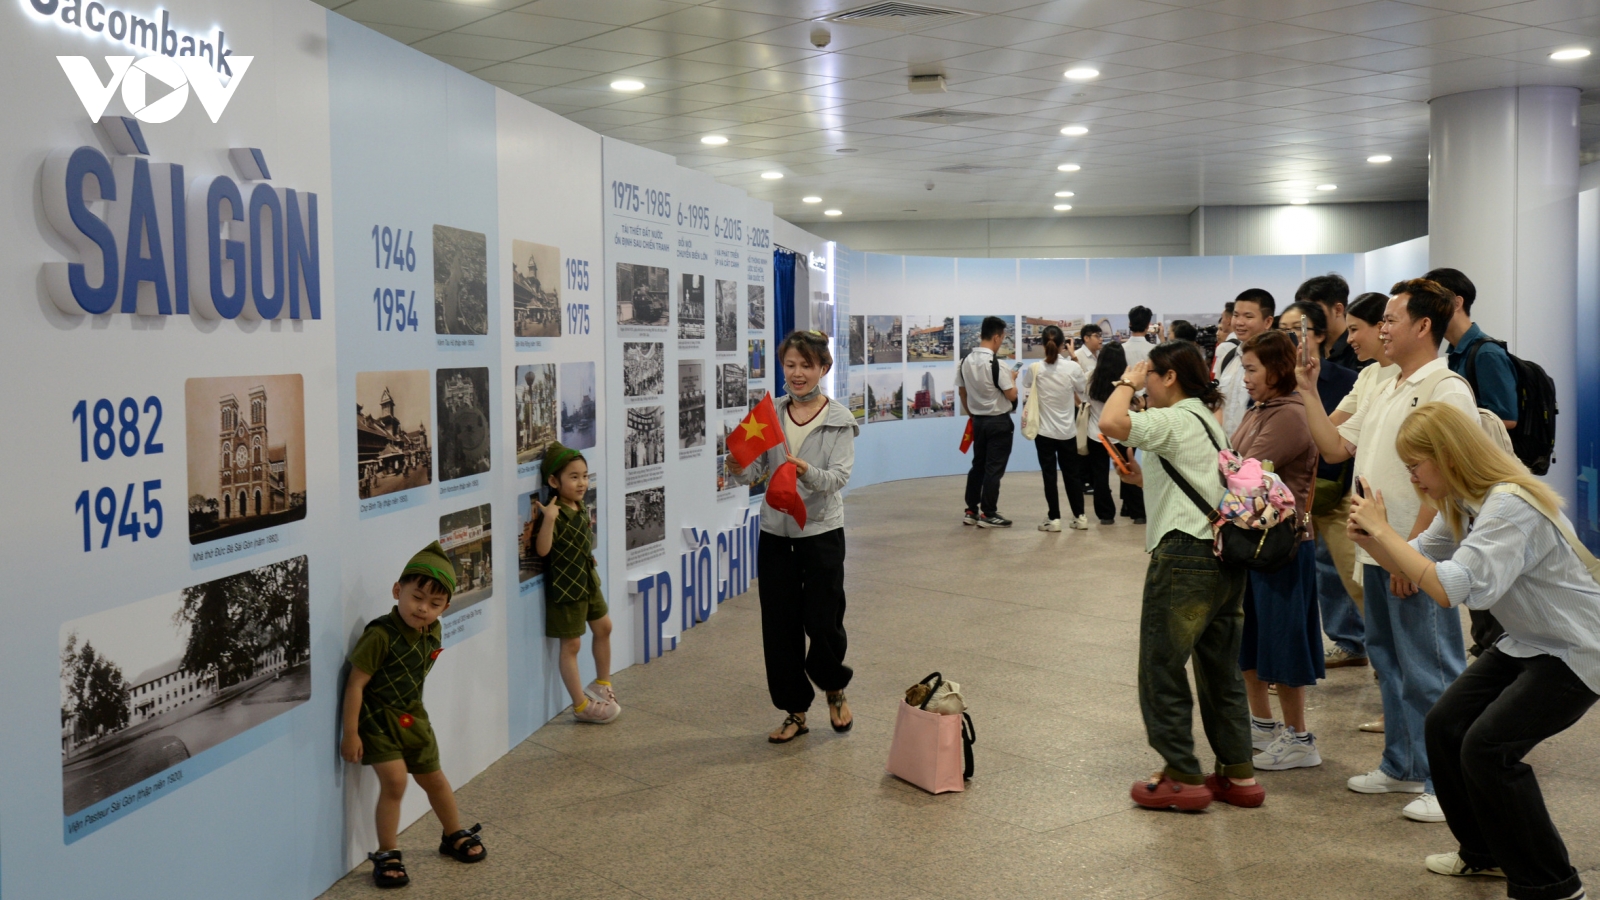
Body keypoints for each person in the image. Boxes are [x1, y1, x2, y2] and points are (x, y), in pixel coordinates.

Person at [1348, 402, 1600, 900]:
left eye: (1416, 465)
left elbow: (1450, 588)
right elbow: (1418, 556)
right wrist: (1372, 537)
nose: (1413, 478)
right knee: (1445, 726)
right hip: (1531, 641)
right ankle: (1484, 855)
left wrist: (1382, 534)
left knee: (1488, 749)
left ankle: (1552, 885)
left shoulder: (1509, 504)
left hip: (1577, 649)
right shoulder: (1465, 502)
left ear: (1447, 457)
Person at [1296, 278, 1477, 823]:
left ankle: (1447, 784)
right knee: (1390, 662)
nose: (1381, 329)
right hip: (1373, 545)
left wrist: (1412, 552)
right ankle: (1401, 764)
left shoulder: (1447, 389)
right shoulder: (1378, 380)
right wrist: (1306, 388)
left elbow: (1447, 479)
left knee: (1431, 668)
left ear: (1424, 326)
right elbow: (1333, 446)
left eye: (1390, 320)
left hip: (1415, 550)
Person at [1101, 341, 1263, 811]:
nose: (1144, 384)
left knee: (1162, 666)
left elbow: (1111, 422)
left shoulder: (1174, 418)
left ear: (1169, 377)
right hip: (1223, 560)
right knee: (1220, 672)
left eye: (1150, 375)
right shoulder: (1207, 421)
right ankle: (1237, 774)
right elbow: (1195, 477)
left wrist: (1124, 382)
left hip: (1183, 558)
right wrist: (1140, 478)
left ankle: (1181, 774)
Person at [725, 330, 858, 743]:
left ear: (823, 368)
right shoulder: (769, 413)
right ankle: (794, 711)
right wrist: (736, 466)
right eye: (790, 365)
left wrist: (806, 472)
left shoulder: (838, 420)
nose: (797, 374)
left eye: (806, 365)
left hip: (821, 532)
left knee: (823, 620)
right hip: (776, 532)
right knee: (779, 626)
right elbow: (755, 472)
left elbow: (838, 477)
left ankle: (834, 687)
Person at [341, 542, 487, 888]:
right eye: (416, 597)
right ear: (398, 590)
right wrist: (351, 733)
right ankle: (388, 852)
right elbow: (355, 685)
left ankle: (453, 834)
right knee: (395, 782)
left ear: (446, 607)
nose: (423, 608)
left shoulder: (432, 630)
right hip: (377, 722)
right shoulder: (380, 635)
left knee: (435, 779)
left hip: (413, 719)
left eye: (435, 604)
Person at [1231, 330, 1325, 770]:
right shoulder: (1261, 409)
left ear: (1278, 369)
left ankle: (1299, 737)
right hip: (1255, 542)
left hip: (1284, 546)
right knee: (1253, 638)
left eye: (1252, 369)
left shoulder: (1289, 414)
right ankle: (1263, 724)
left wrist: (1227, 461)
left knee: (1284, 643)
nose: (1245, 378)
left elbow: (1242, 470)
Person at [1430, 266, 1517, 659]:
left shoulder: (1486, 353)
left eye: (1434, 297)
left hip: (1487, 483)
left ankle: (1497, 651)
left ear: (1457, 302)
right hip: (1463, 485)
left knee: (1488, 578)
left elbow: (1505, 417)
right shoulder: (1452, 355)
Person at [1278, 301, 1363, 670]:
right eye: (1281, 330)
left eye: (1295, 330)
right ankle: (1342, 641)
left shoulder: (1347, 380)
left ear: (1318, 335)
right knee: (1313, 576)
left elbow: (1342, 441)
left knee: (1353, 575)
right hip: (1286, 497)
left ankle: (1377, 650)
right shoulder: (1274, 382)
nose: (1289, 338)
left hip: (1334, 491)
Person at [532, 443, 619, 724]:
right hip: (566, 588)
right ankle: (580, 706)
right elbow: (543, 550)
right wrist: (549, 520)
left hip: (586, 579)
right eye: (574, 477)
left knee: (604, 627)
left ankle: (602, 684)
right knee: (571, 645)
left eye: (585, 475)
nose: (582, 482)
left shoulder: (578, 505)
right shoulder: (554, 511)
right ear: (554, 481)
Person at [1020, 324, 1090, 531]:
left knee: (1049, 475)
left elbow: (1025, 385)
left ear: (1042, 344)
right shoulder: (1072, 368)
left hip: (1044, 433)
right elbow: (1082, 389)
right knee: (1072, 475)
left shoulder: (1035, 369)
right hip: (1067, 432)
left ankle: (1054, 519)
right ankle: (1080, 517)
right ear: (1062, 345)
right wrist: (1073, 357)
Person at [957, 315, 1018, 528]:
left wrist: (972, 414)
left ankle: (971, 510)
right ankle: (989, 513)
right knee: (994, 469)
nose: (1002, 342)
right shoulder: (997, 365)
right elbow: (1011, 395)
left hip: (978, 422)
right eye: (1002, 338)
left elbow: (962, 393)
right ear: (995, 337)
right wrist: (1013, 379)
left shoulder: (964, 362)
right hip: (999, 423)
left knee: (978, 466)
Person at [1219, 289, 1275, 437]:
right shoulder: (1229, 358)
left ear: (1268, 321)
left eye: (1248, 316)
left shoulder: (1276, 362)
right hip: (1226, 454)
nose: (1239, 322)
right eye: (1236, 315)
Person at [1084, 341, 1129, 525]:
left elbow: (1085, 399)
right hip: (1122, 432)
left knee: (1099, 475)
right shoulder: (1126, 381)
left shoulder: (1090, 378)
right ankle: (1136, 510)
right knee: (1128, 470)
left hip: (1097, 434)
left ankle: (1105, 514)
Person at [1298, 273, 1365, 371]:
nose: (1308, 317)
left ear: (1338, 310)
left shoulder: (1359, 348)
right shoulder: (1310, 349)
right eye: (1303, 312)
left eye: (1314, 310)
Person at [1213, 301, 1237, 373]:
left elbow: (1217, 376)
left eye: (1222, 317)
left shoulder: (1224, 347)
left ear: (1228, 320)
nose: (1221, 321)